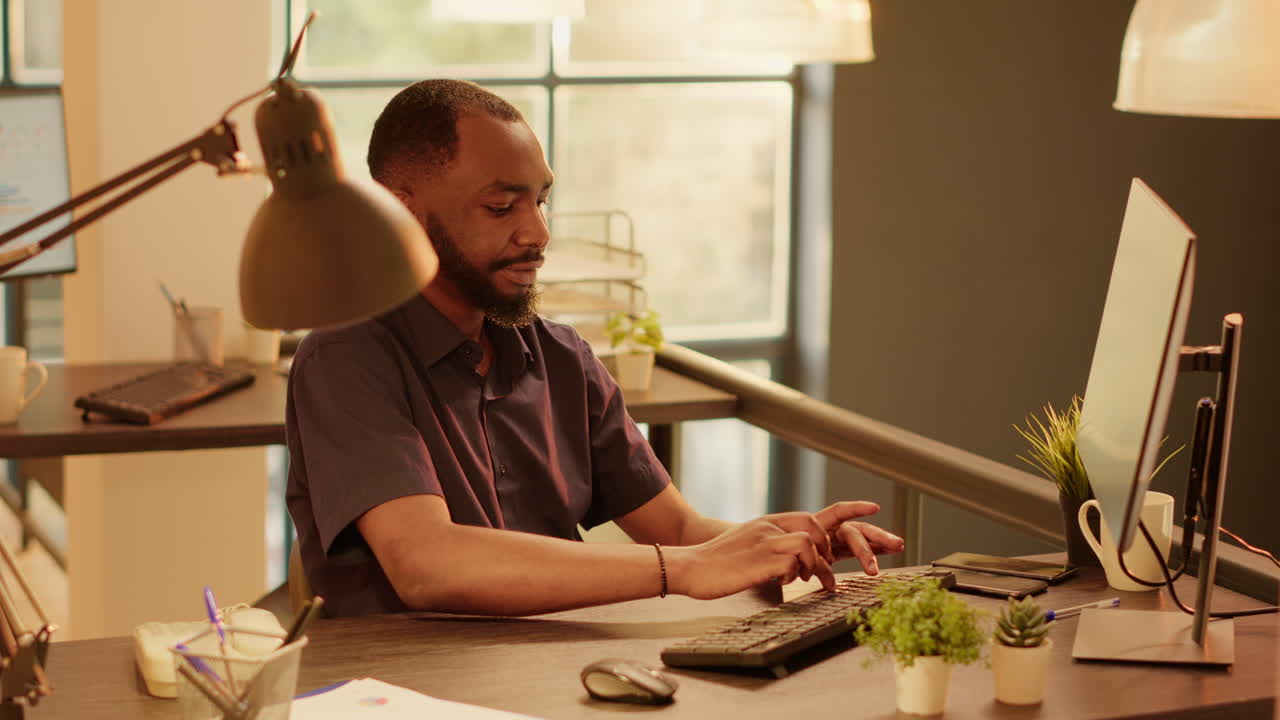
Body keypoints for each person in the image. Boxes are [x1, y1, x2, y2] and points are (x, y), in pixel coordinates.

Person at [285, 79, 904, 618]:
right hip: (410, 690)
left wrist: (773, 540)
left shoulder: (560, 356)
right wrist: (681, 570)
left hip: (555, 674)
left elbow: (680, 529)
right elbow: (428, 565)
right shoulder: (346, 358)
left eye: (541, 200)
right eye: (502, 206)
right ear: (400, 211)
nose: (537, 233)